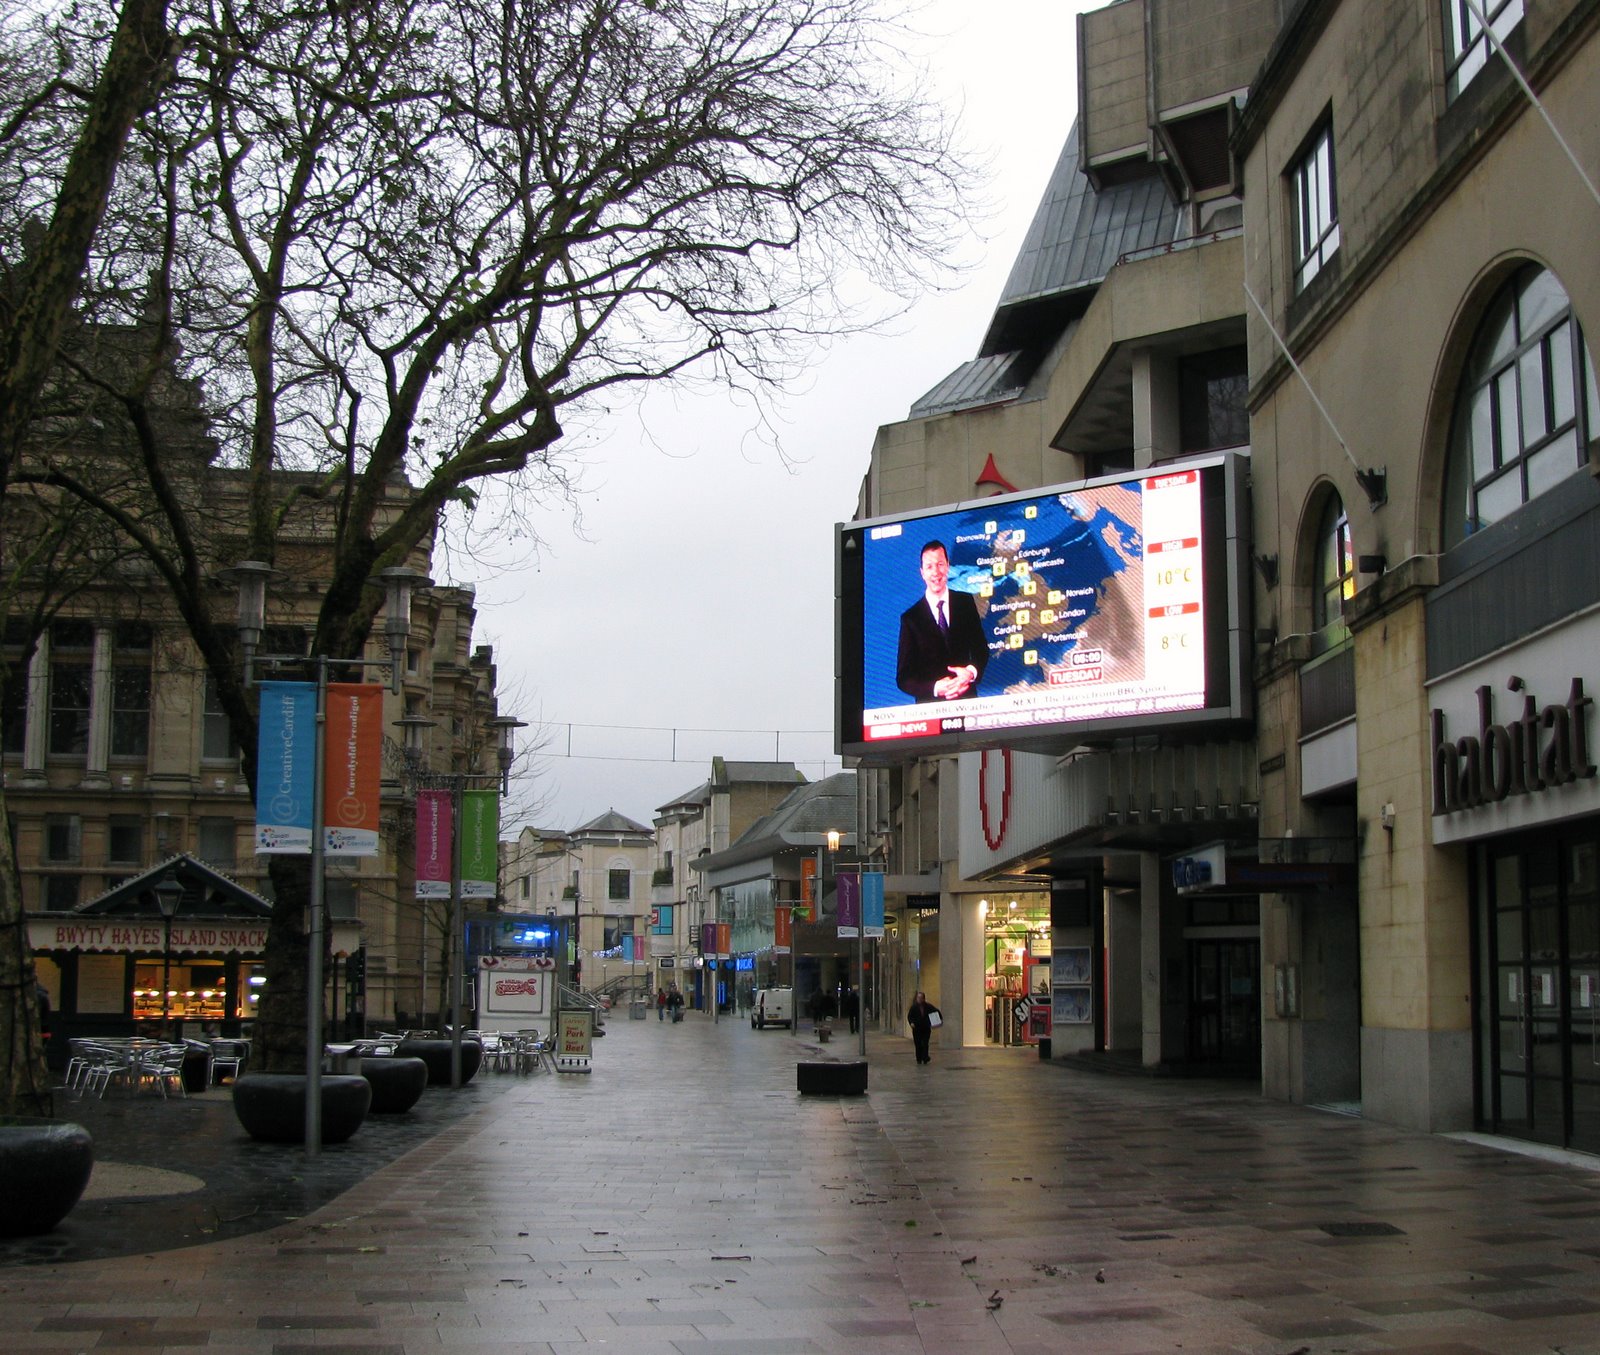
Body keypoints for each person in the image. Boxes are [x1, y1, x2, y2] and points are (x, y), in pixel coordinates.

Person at [896, 540, 989, 702]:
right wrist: (936, 688)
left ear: (947, 566)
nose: (935, 572)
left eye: (940, 564)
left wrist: (970, 673)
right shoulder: (911, 618)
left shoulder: (965, 603)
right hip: (930, 712)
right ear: (922, 572)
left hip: (967, 705)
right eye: (929, 566)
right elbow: (904, 678)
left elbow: (981, 650)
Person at [907, 991, 940, 1065]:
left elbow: (936, 1011)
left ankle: (925, 1057)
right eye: (918, 998)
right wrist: (911, 1023)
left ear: (924, 999)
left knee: (925, 1043)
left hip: (925, 1028)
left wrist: (937, 1020)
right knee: (918, 1044)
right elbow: (910, 1016)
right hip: (917, 1028)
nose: (919, 999)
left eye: (921, 998)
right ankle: (919, 1058)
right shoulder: (914, 1007)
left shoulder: (928, 1006)